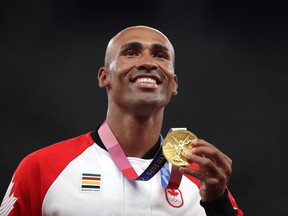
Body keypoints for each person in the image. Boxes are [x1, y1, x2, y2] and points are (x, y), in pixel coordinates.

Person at [0, 25, 243, 216]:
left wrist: (218, 204)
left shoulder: (203, 182)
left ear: (174, 84)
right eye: (131, 52)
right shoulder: (42, 168)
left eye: (160, 55)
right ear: (105, 76)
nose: (148, 62)